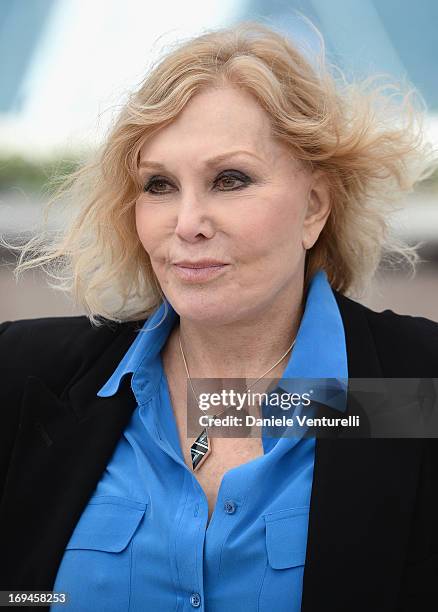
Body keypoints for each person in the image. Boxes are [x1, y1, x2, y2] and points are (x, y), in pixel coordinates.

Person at [0, 20, 437, 612]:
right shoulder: (22, 376)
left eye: (230, 180)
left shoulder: (415, 388)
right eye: (158, 185)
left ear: (314, 206)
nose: (187, 222)